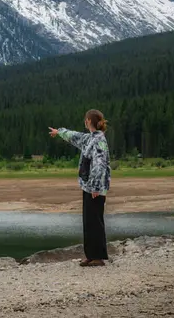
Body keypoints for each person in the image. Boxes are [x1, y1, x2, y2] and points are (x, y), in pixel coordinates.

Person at [49, 109, 111, 267]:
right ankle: (90, 255)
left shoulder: (99, 140)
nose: (85, 121)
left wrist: (96, 186)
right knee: (88, 221)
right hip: (88, 187)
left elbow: (100, 164)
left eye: (86, 119)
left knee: (95, 222)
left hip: (95, 188)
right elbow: (74, 136)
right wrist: (59, 132)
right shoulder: (89, 138)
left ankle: (98, 257)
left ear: (89, 121)